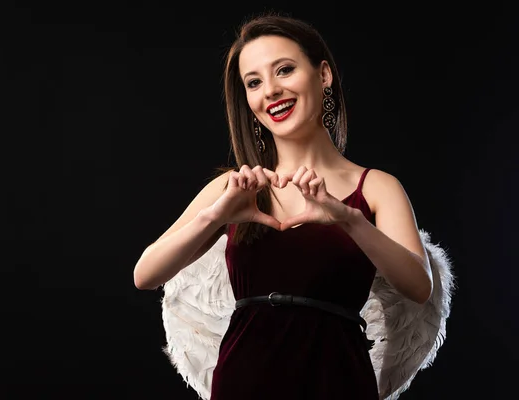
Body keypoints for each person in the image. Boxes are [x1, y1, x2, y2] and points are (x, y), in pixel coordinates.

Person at [133, 12, 434, 400]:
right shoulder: (235, 187)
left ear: (323, 75)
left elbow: (420, 287)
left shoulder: (376, 187)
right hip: (244, 379)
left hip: (338, 378)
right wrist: (216, 216)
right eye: (254, 82)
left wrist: (349, 220)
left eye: (285, 70)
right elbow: (145, 274)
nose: (270, 91)